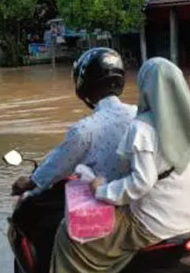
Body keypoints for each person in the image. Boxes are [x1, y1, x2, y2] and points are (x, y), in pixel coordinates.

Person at [37, 57, 190, 273]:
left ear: (145, 87)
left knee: (71, 233)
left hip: (153, 223)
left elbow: (139, 184)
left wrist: (101, 191)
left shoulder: (143, 128)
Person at [12, 48, 136, 197]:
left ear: (83, 83)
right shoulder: (140, 114)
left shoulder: (84, 129)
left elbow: (57, 165)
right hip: (141, 198)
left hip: (104, 202)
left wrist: (31, 181)